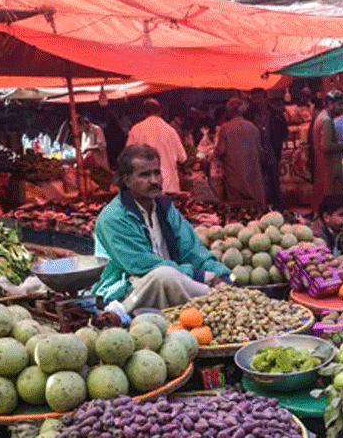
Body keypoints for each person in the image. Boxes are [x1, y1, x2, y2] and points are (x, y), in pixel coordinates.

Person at [93, 144, 230, 312]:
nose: (154, 181)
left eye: (157, 172)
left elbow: (192, 249)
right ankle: (222, 301)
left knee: (196, 273)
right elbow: (143, 266)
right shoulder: (114, 218)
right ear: (127, 180)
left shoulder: (164, 207)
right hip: (129, 291)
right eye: (145, 175)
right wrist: (199, 276)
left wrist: (223, 274)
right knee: (164, 275)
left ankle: (224, 297)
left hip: (176, 282)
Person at [126, 99, 189, 194]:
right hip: (169, 185)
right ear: (160, 111)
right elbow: (183, 158)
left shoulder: (136, 129)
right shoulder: (170, 130)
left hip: (145, 185)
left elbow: (128, 157)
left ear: (144, 113)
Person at [215, 98, 266, 205]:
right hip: (253, 177)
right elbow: (260, 151)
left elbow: (220, 151)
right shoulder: (253, 127)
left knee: (237, 208)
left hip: (234, 177)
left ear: (229, 111)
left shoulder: (225, 128)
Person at [246, 88, 289, 208]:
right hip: (255, 154)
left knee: (274, 181)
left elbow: (284, 131)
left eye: (259, 97)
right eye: (254, 98)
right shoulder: (249, 115)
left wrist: (277, 143)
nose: (256, 101)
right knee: (258, 183)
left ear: (265, 98)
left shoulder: (275, 114)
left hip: (272, 152)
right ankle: (262, 207)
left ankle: (277, 207)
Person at [310, 90, 343, 214]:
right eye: (339, 104)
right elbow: (326, 146)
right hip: (329, 165)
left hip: (324, 165)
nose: (342, 108)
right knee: (330, 199)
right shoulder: (326, 120)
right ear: (330, 104)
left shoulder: (322, 117)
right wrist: (341, 146)